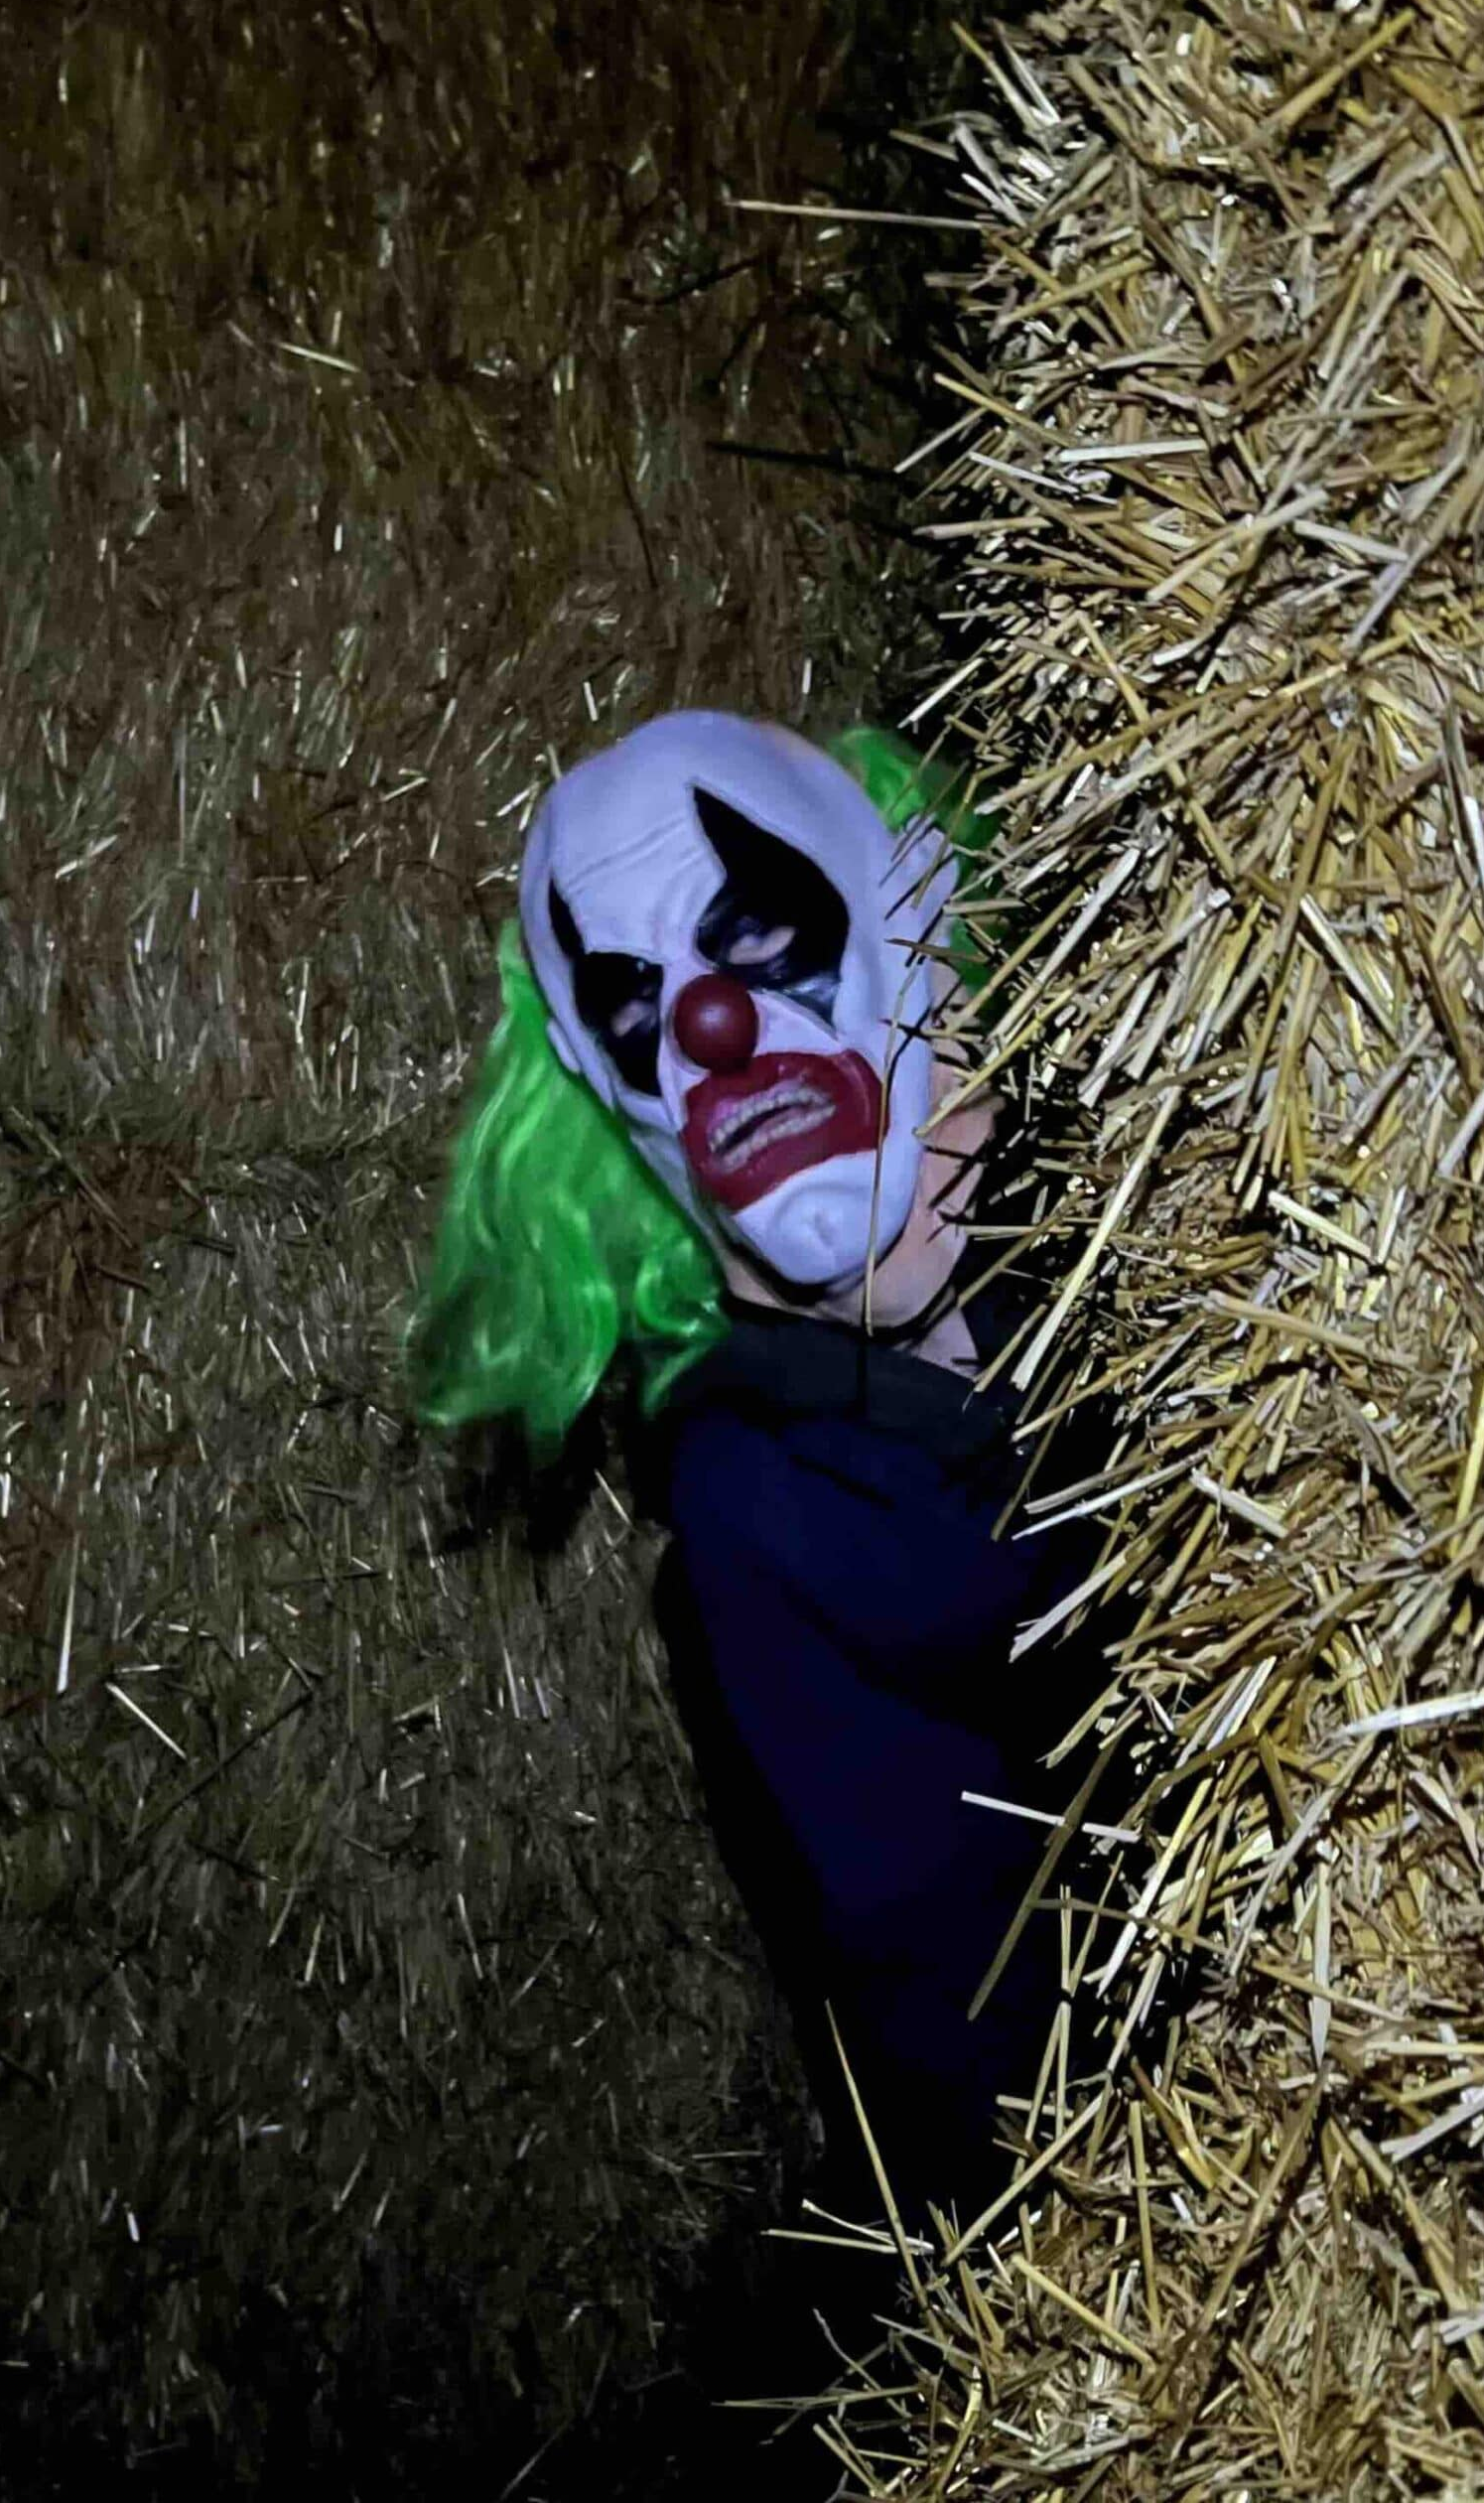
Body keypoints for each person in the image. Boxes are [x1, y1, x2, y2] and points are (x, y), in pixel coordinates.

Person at [410, 711, 1105, 2234]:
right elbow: (951, 2000)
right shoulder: (753, 1509)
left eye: (759, 934)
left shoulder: (1140, 1205)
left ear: (906, 912)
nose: (714, 1034)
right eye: (640, 1010)